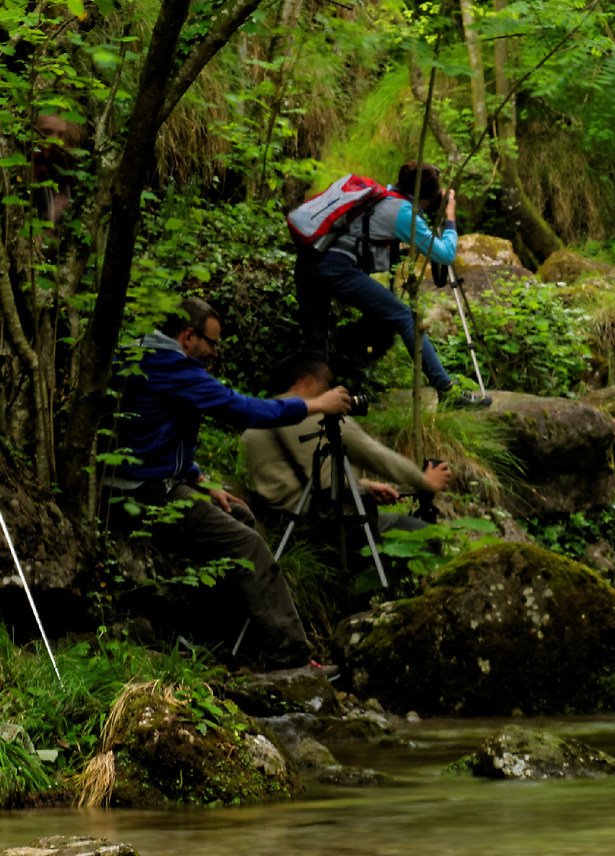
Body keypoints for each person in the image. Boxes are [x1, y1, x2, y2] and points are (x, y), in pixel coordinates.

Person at [111, 297, 352, 668]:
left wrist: (201, 481)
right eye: (211, 342)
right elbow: (243, 409)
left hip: (137, 481)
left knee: (240, 518)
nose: (214, 352)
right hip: (147, 491)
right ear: (188, 336)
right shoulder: (173, 367)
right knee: (248, 545)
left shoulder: (138, 355)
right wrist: (316, 405)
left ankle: (230, 643)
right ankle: (290, 657)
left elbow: (150, 433)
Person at [294, 162, 488, 409]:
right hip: (334, 268)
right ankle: (446, 390)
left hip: (308, 262)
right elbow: (446, 255)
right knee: (404, 316)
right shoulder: (404, 213)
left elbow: (363, 246)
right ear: (425, 195)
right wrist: (449, 218)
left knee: (316, 341)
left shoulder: (379, 196)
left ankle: (309, 407)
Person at [242, 351, 454, 537]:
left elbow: (302, 481)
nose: (329, 391)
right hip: (333, 528)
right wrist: (426, 481)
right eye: (325, 384)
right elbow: (378, 457)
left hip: (284, 530)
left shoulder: (253, 429)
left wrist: (364, 487)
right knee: (427, 535)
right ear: (306, 383)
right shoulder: (320, 416)